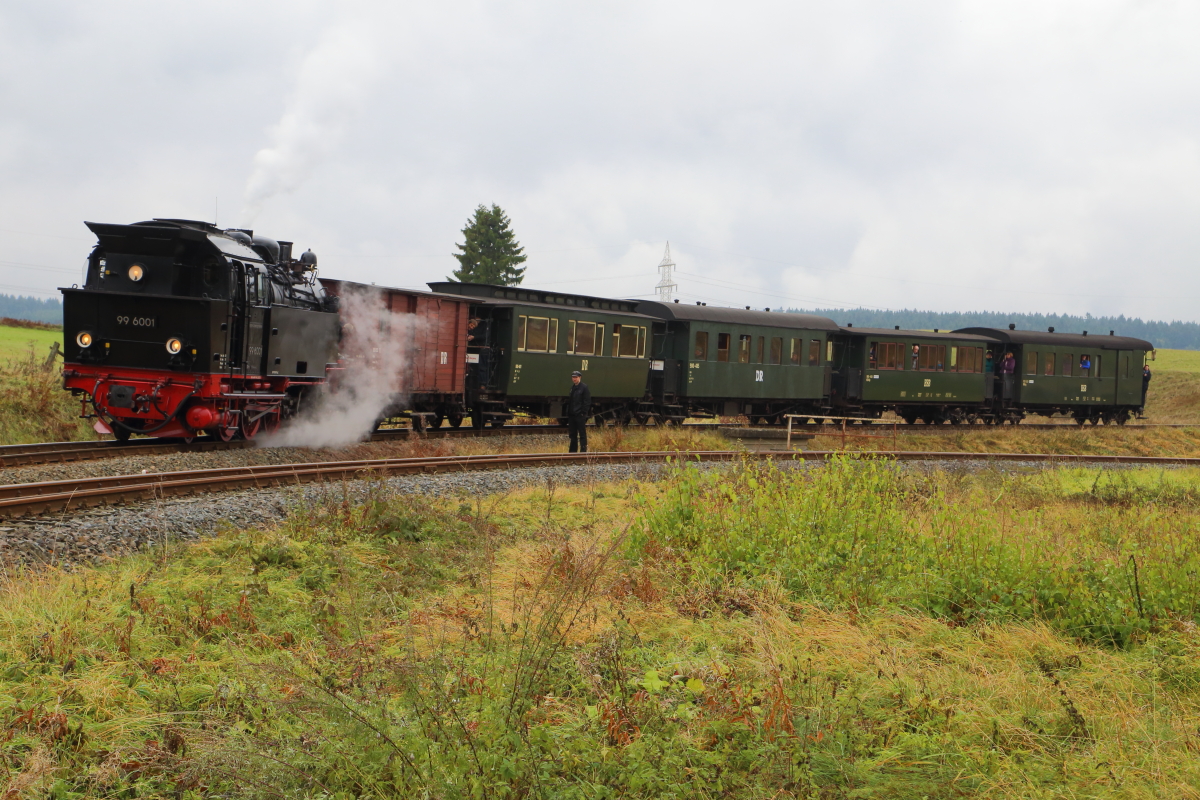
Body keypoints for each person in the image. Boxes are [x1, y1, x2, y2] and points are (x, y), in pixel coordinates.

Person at [567, 370, 591, 453]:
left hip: (580, 415)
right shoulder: (572, 388)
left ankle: (583, 451)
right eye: (573, 377)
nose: (574, 379)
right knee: (572, 434)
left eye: (576, 377)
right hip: (572, 415)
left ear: (579, 377)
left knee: (582, 434)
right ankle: (572, 451)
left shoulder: (584, 387)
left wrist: (583, 413)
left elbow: (587, 401)